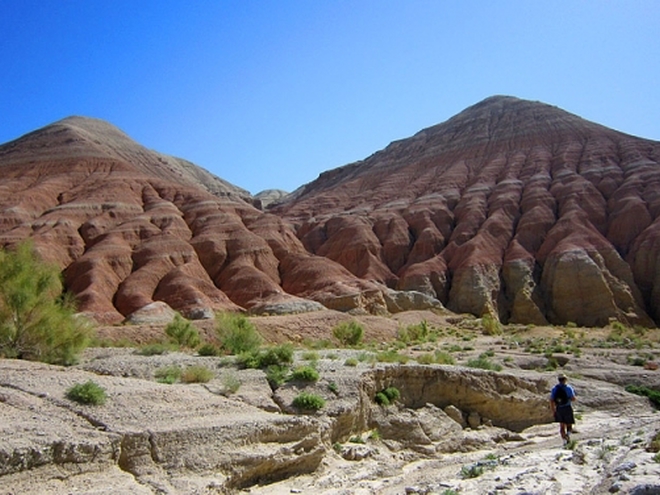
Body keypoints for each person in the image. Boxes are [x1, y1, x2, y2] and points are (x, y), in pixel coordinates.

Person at [550, 373, 576, 444]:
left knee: (562, 426)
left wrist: (553, 410)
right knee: (569, 425)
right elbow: (573, 398)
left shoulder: (555, 388)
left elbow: (552, 400)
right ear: (565, 380)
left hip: (559, 408)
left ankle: (564, 440)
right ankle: (568, 436)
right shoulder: (568, 388)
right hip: (567, 408)